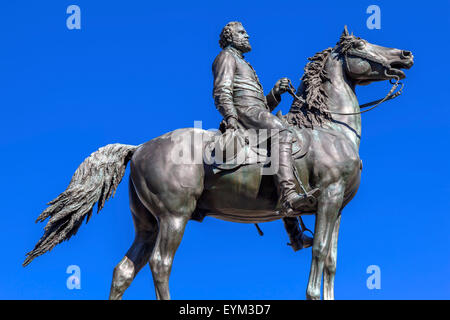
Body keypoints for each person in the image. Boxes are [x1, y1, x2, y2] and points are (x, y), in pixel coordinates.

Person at [212, 21, 320, 216]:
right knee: (283, 132)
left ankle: (294, 232)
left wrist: (275, 93)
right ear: (230, 37)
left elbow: (262, 107)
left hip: (255, 112)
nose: (247, 36)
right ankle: (288, 196)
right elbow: (222, 90)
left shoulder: (243, 61)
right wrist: (230, 117)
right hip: (244, 112)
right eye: (242, 32)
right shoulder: (226, 57)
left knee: (288, 148)